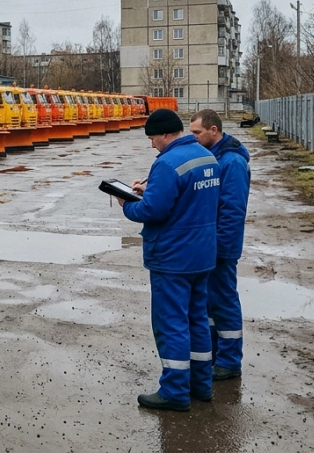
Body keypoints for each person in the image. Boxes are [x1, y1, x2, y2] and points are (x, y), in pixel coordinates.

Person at [119, 108, 220, 411]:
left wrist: (126, 203)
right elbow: (187, 199)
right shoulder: (207, 157)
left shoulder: (166, 163)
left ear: (164, 134)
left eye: (152, 138)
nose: (151, 144)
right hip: (202, 253)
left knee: (172, 323)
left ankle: (175, 392)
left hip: (173, 257)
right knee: (197, 319)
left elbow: (152, 211)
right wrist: (151, 190)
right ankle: (201, 385)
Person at [189, 109, 251, 382]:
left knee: (224, 301)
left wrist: (221, 245)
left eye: (197, 133)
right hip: (211, 243)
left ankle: (229, 361)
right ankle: (217, 354)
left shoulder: (232, 162)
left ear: (213, 130)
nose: (193, 137)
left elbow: (232, 210)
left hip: (221, 245)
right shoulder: (215, 157)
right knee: (211, 302)